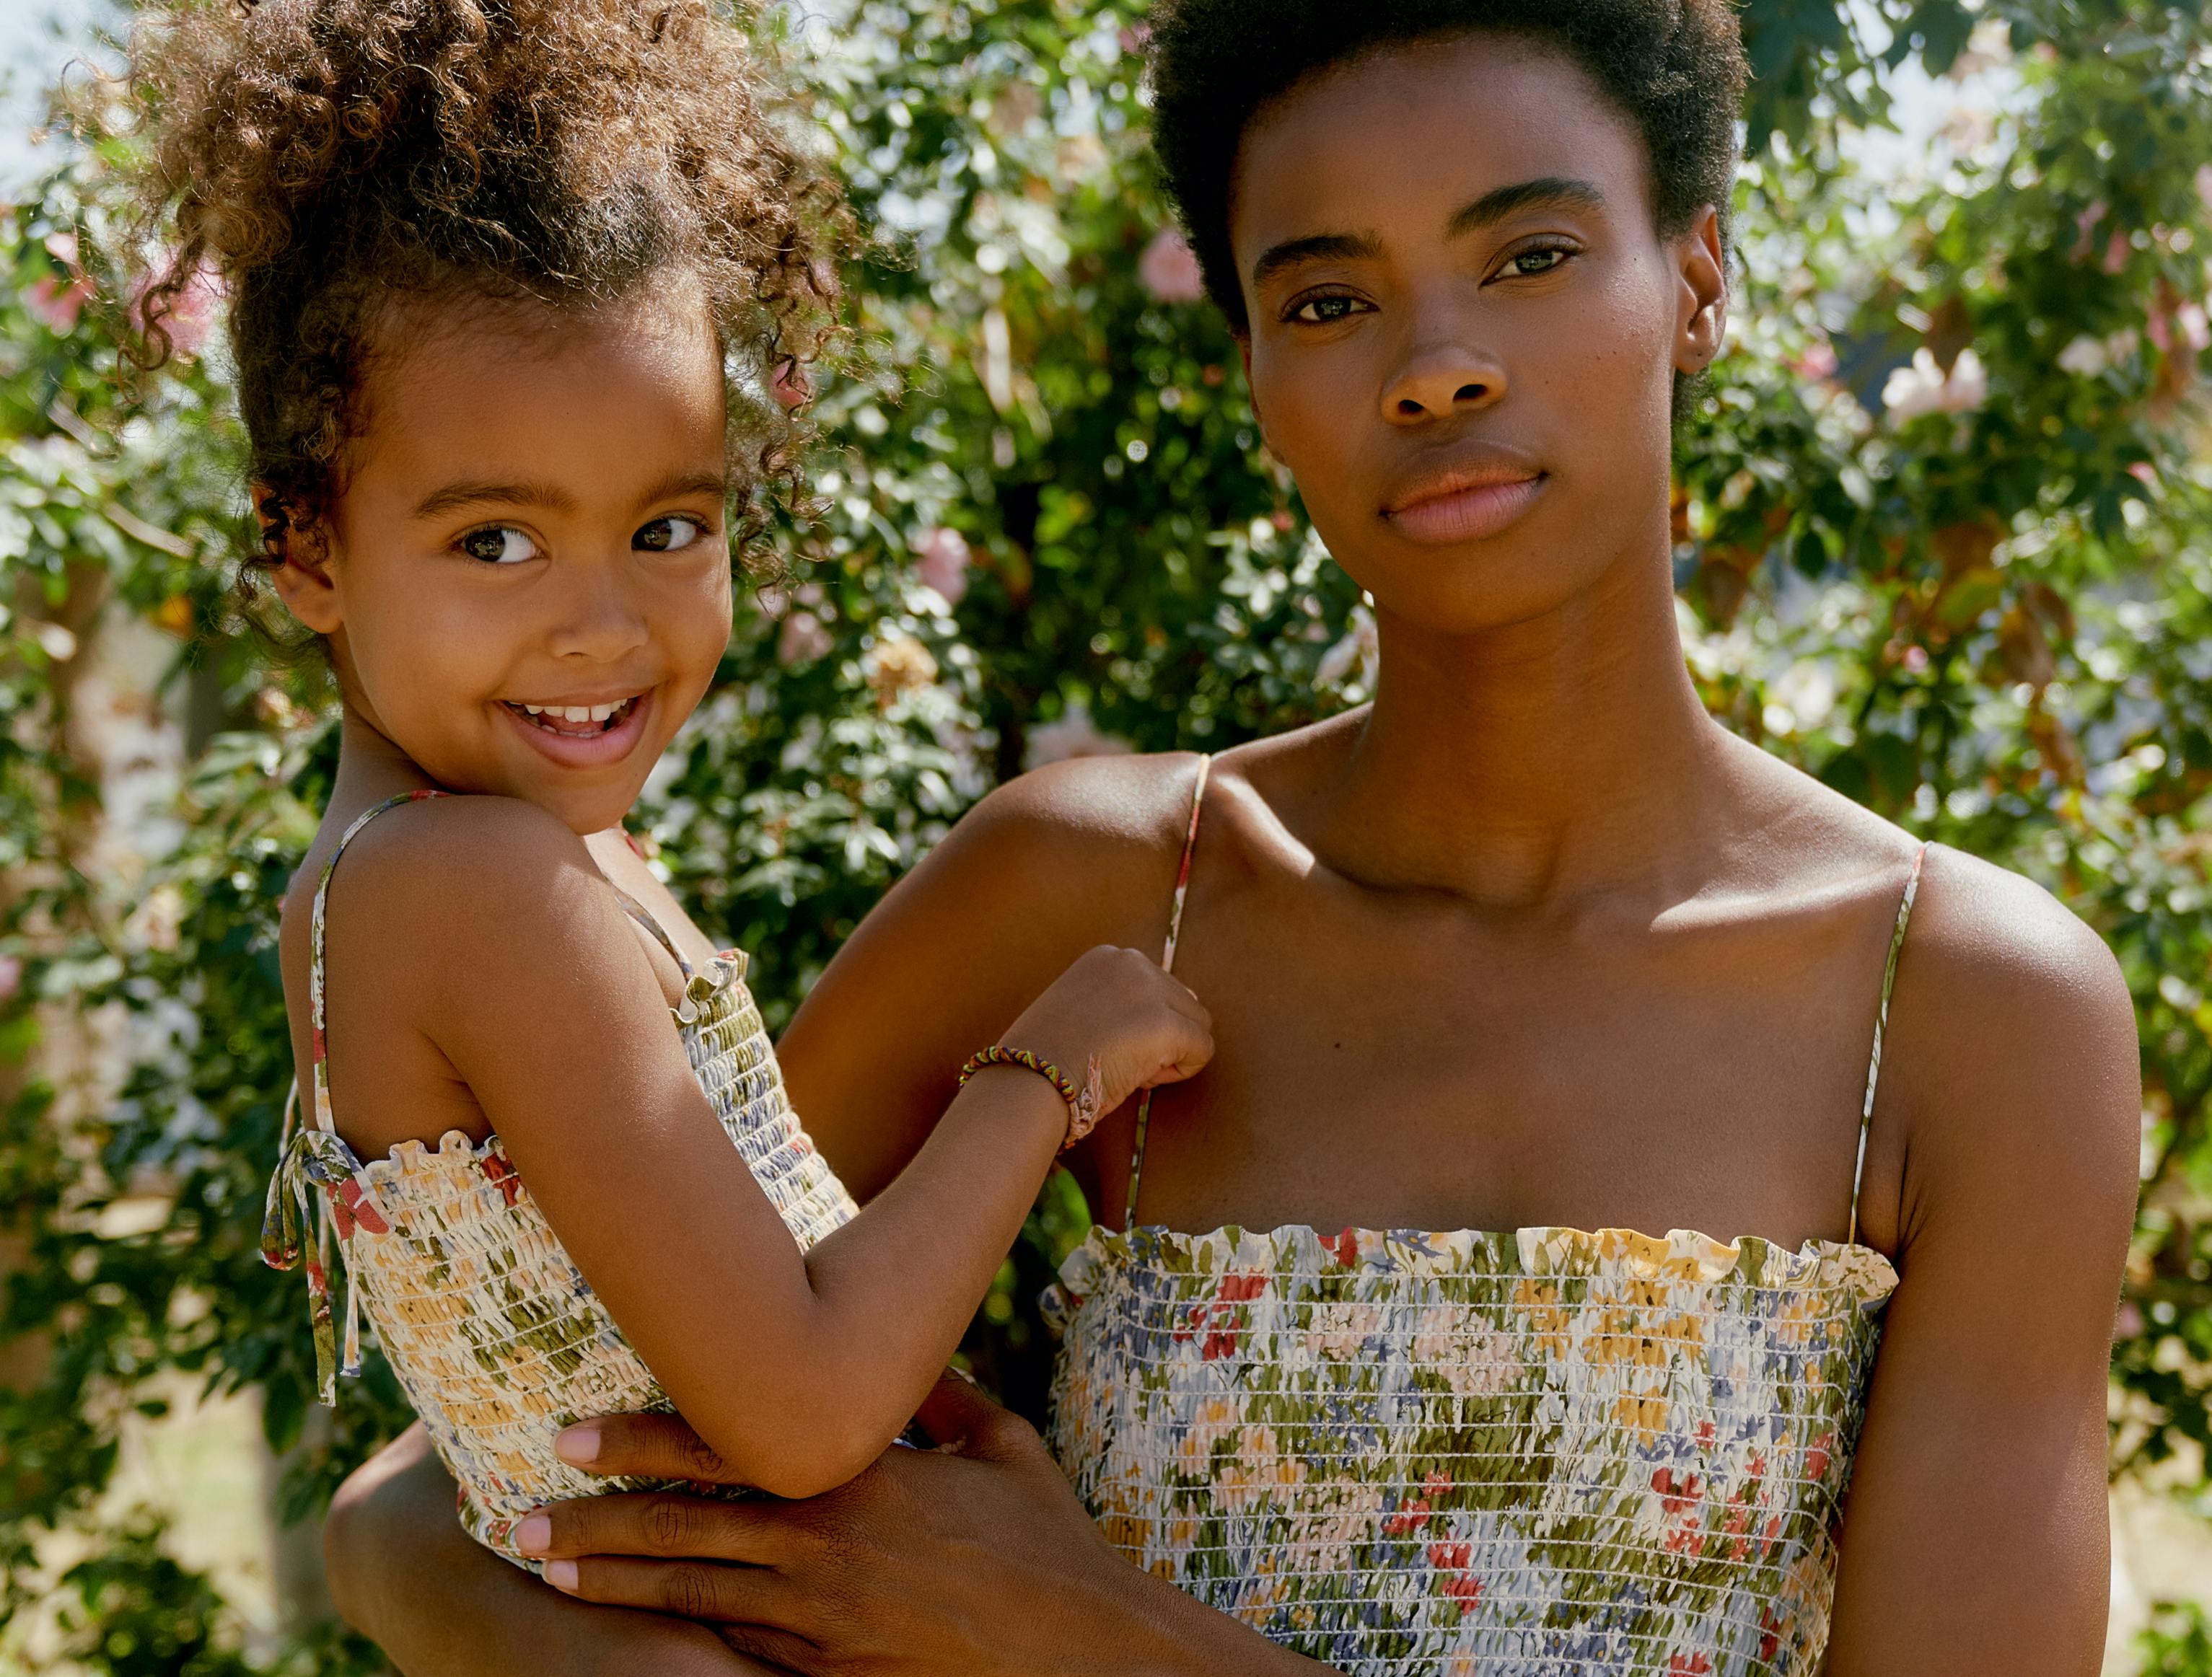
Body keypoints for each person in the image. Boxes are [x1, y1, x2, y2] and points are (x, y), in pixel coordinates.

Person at [322, 1, 2141, 1673]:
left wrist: (1093, 1640)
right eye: (1331, 298)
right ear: (1255, 365)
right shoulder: (1091, 895)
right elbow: (444, 1495)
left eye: (1529, 256)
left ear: (1699, 282)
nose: (1435, 366)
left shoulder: (1974, 1013)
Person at [128, 0, 1211, 1577]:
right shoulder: (477, 887)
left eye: (667, 528)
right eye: (495, 540)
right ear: (306, 544)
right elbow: (805, 1404)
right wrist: (1043, 1071)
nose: (603, 622)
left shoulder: (459, 859)